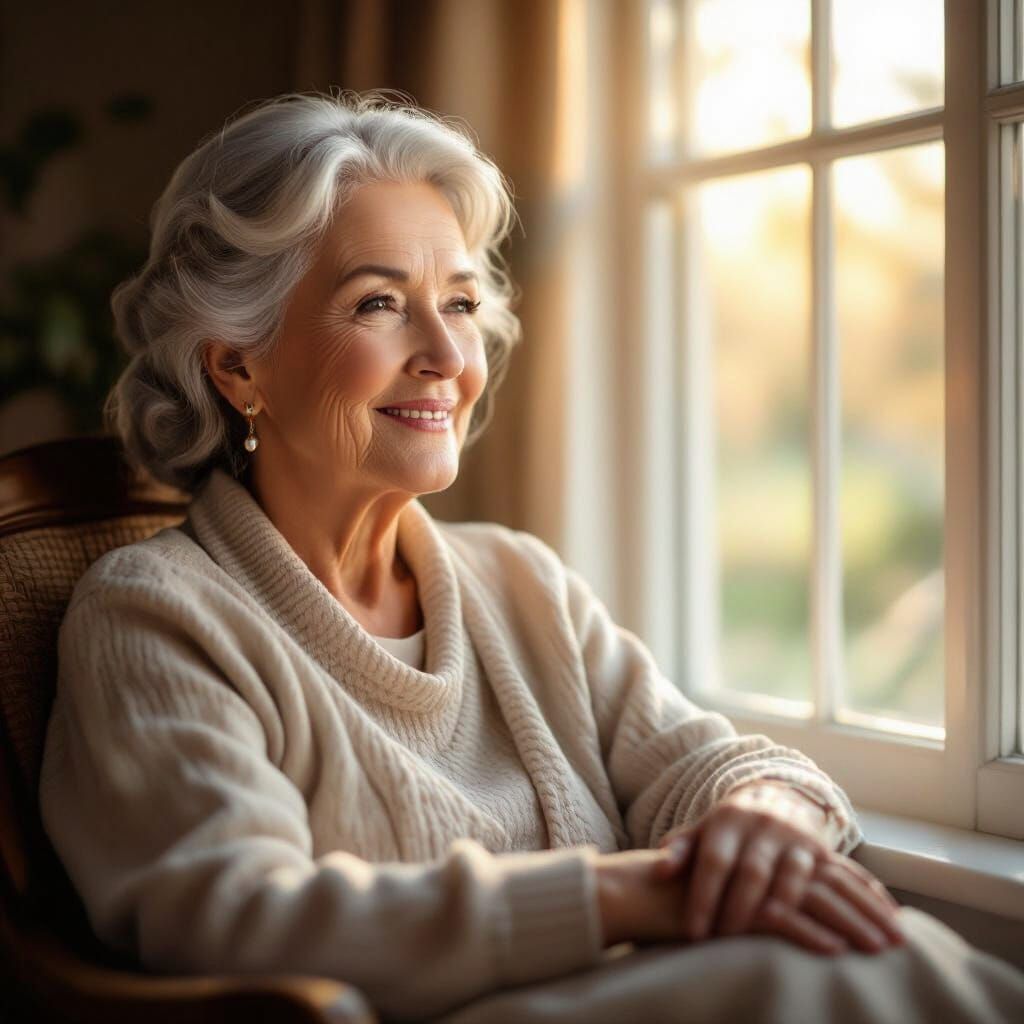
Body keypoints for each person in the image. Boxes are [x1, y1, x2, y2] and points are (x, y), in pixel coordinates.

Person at [38, 89, 1024, 1024]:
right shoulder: (153, 614)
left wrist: (768, 816)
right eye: (379, 303)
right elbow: (236, 917)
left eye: (461, 303)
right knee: (836, 968)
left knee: (881, 949)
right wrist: (632, 896)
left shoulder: (518, 581)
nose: (446, 355)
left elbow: (713, 763)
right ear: (236, 363)